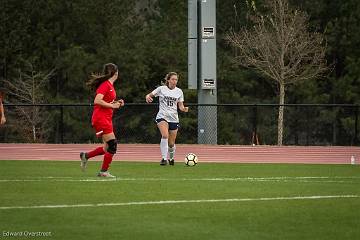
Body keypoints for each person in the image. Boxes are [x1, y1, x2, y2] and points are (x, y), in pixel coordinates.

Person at [80, 63, 124, 178]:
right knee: (112, 145)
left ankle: (86, 156)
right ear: (116, 72)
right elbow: (97, 100)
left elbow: (106, 102)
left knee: (106, 148)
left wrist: (116, 103)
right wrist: (113, 106)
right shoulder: (106, 85)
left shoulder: (109, 85)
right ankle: (103, 171)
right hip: (101, 118)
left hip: (105, 118)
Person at [145, 72, 189, 165]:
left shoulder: (179, 91)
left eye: (176, 79)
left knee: (171, 144)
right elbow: (149, 95)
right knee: (165, 135)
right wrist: (148, 97)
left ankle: (171, 159)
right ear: (168, 80)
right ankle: (164, 159)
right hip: (162, 116)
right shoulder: (161, 89)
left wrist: (184, 109)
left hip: (173, 118)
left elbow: (180, 106)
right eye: (173, 79)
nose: (174, 81)